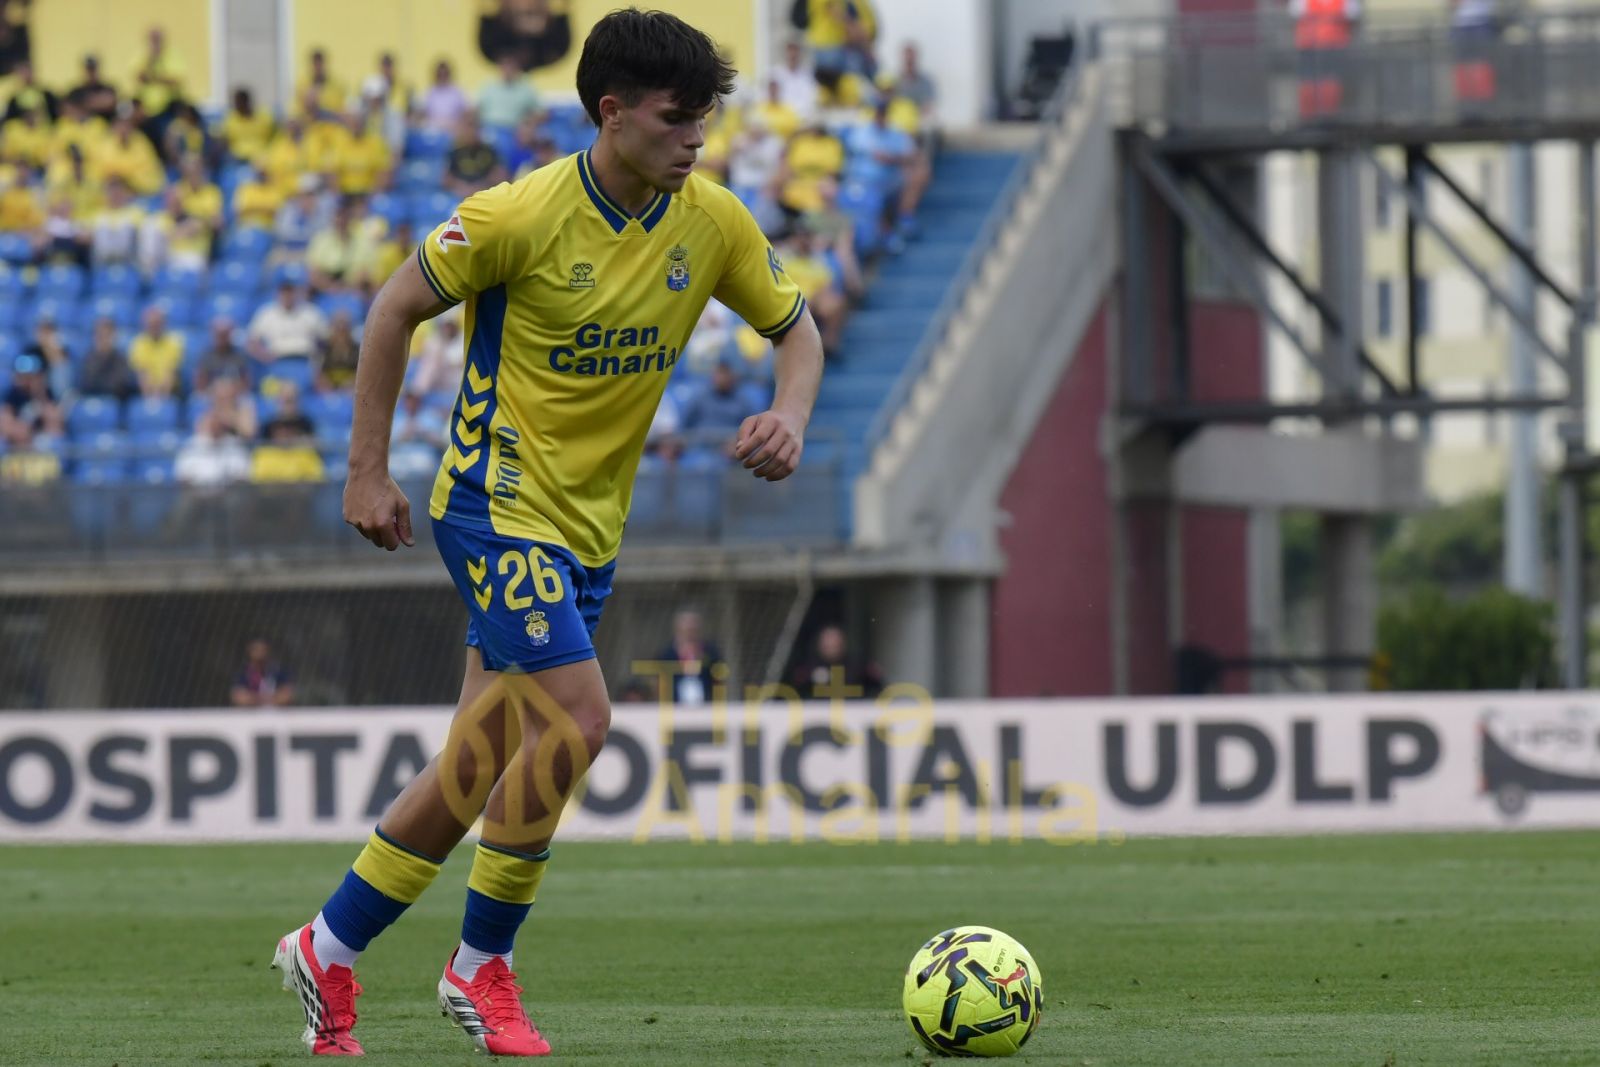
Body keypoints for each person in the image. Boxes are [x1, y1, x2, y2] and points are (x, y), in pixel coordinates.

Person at [272, 9, 823, 1058]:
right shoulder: (517, 215)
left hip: (587, 529)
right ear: (611, 113)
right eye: (674, 120)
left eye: (703, 121)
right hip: (494, 503)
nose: (695, 140)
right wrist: (366, 469)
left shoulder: (711, 221)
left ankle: (326, 946)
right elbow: (391, 309)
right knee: (580, 719)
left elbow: (796, 331)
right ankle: (480, 964)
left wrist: (789, 414)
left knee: (477, 760)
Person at [789, 623, 882, 699]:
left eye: (835, 643)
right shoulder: (807, 668)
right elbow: (796, 693)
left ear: (843, 643)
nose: (832, 646)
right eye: (828, 643)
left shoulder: (858, 666)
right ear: (820, 644)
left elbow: (876, 689)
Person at [653, 607, 726, 705]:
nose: (690, 631)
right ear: (678, 628)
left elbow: (719, 680)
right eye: (687, 627)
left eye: (693, 627)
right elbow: (659, 683)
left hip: (706, 705)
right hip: (675, 705)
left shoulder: (711, 652)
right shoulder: (666, 654)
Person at [231, 637, 295, 707]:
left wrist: (255, 699)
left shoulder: (278, 672)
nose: (260, 653)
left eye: (263, 650)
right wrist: (268, 699)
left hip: (276, 712)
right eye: (256, 649)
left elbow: (287, 695)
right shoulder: (243, 673)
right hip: (250, 713)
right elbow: (239, 697)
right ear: (249, 652)